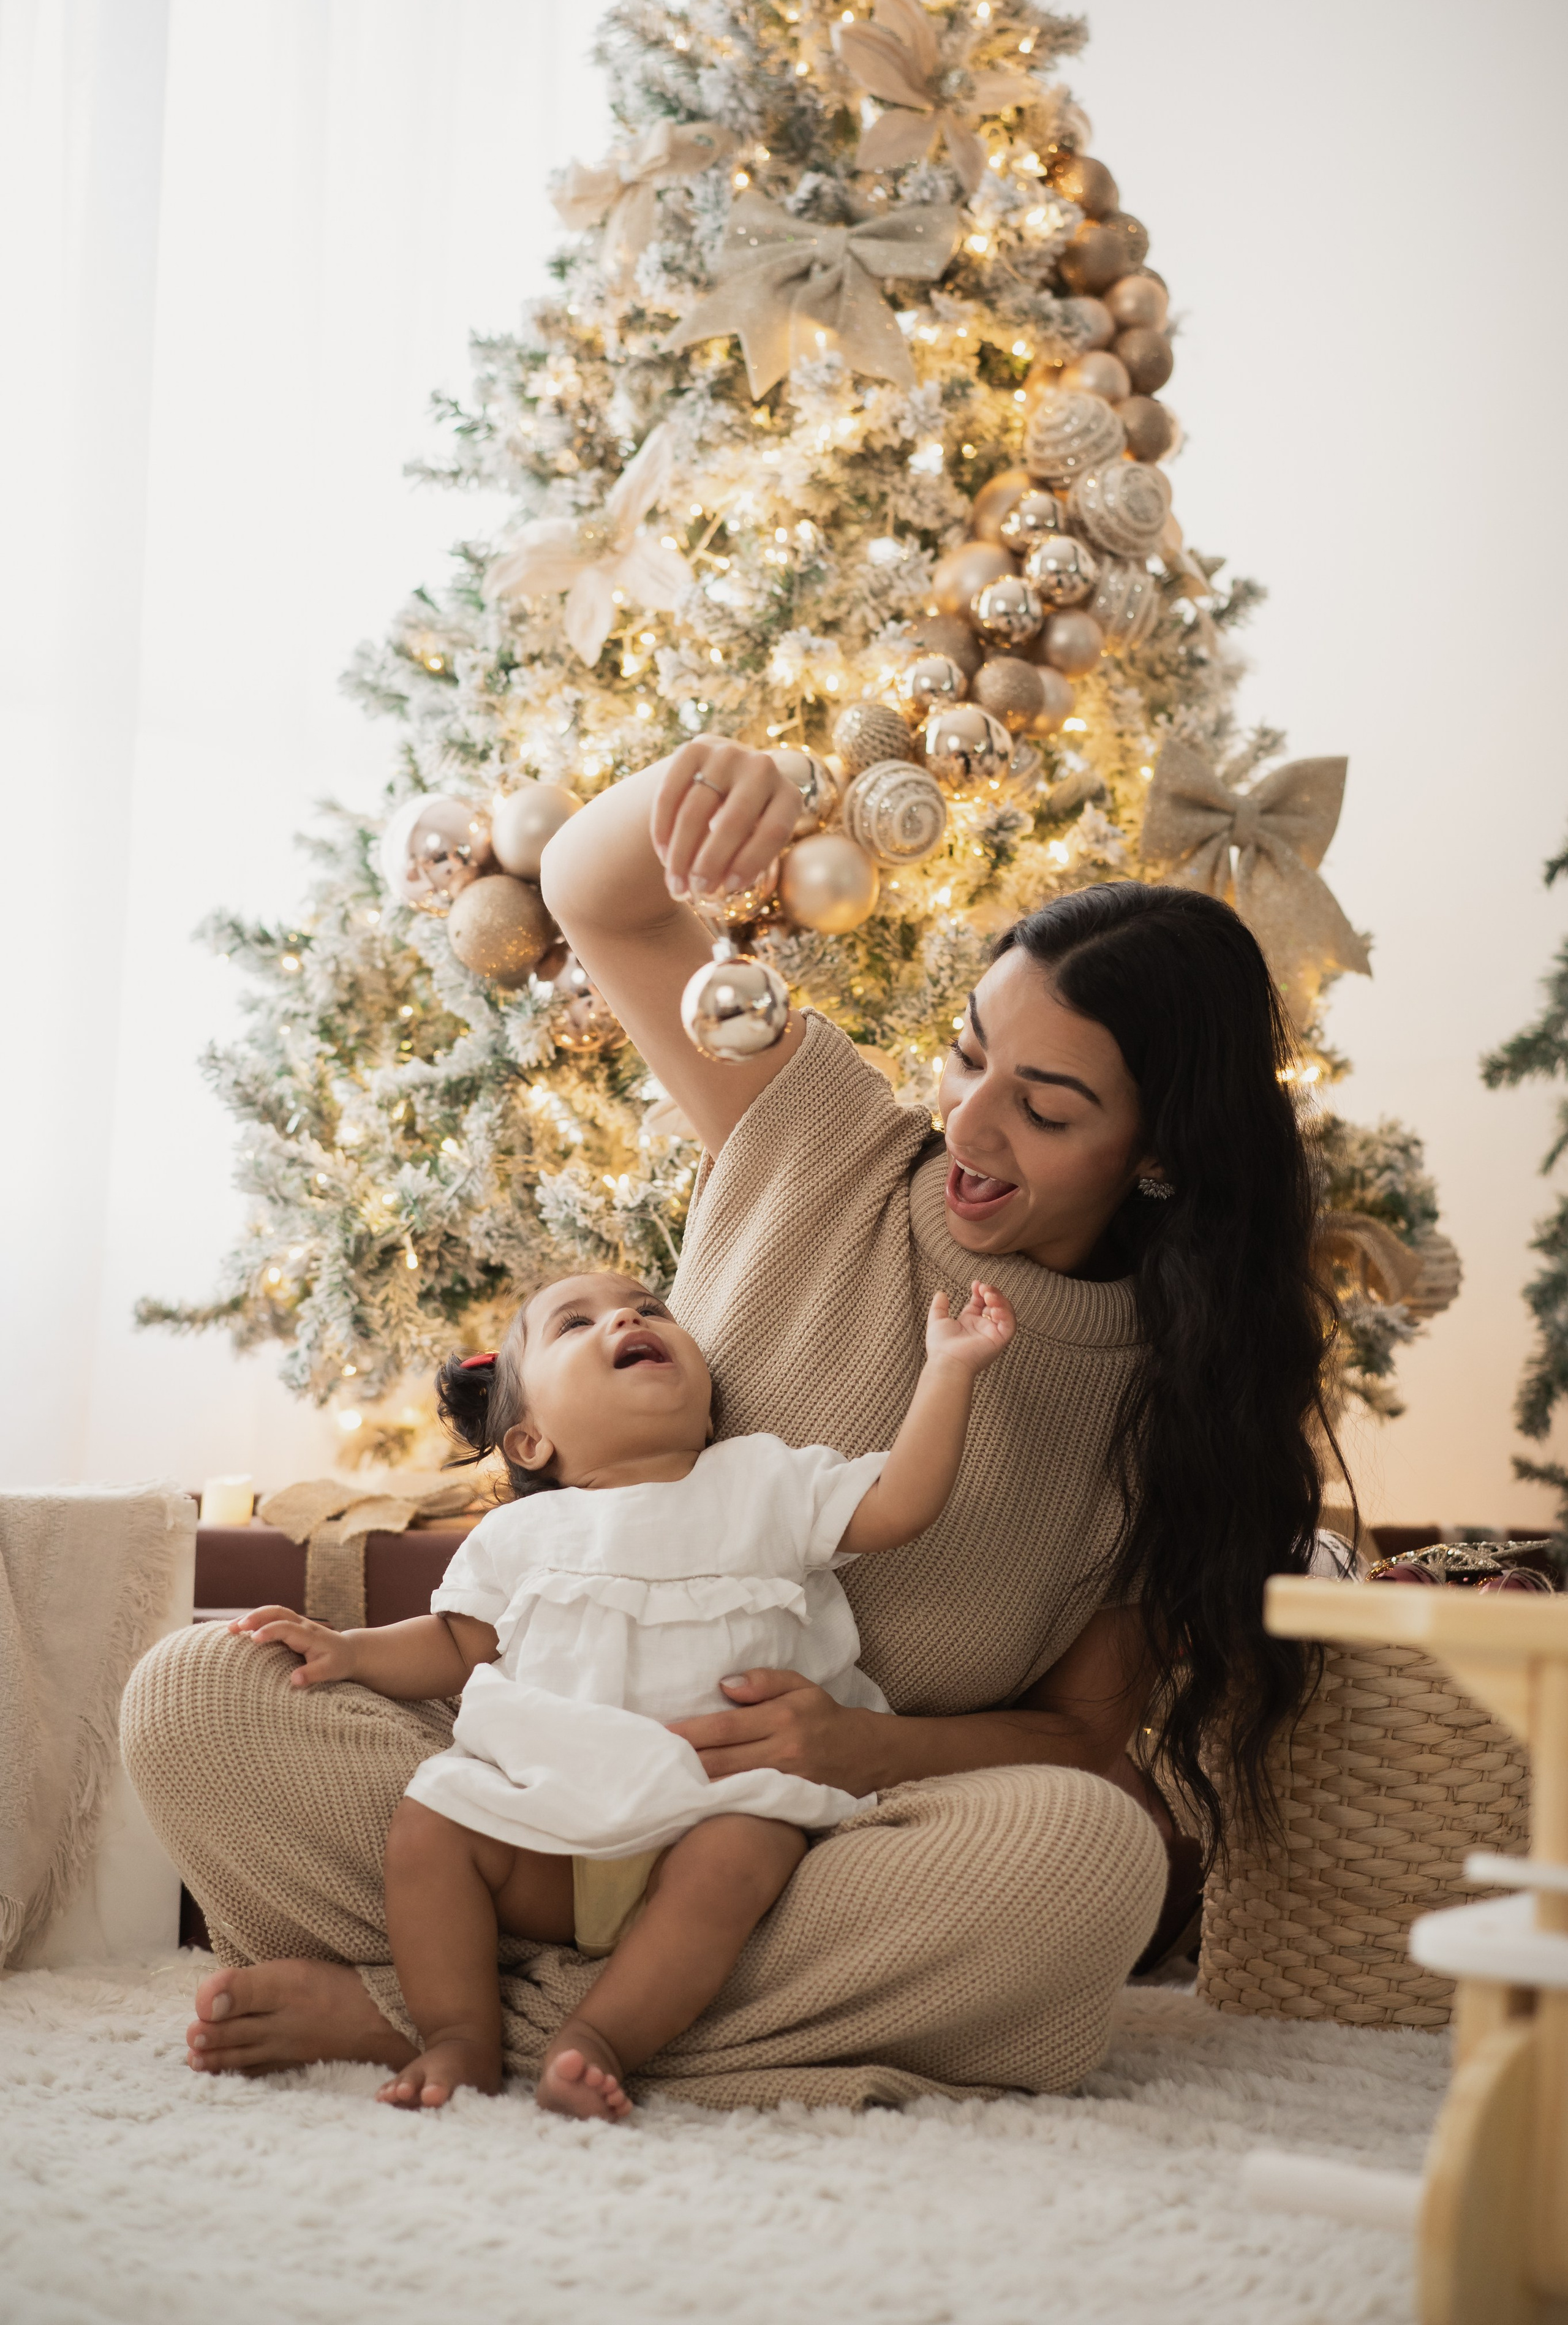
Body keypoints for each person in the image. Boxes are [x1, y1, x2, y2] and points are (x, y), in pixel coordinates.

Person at [123, 732, 1338, 2109]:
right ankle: (617, 2025)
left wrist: (860, 1747)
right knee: (197, 1690)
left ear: (1159, 1154)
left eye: (1044, 1109)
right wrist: (723, 789)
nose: (971, 1127)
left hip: (812, 1857)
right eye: (965, 1057)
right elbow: (596, 892)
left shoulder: (1158, 1406)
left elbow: (1080, 1742)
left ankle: (428, 2009)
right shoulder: (815, 1139)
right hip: (530, 1791)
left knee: (1086, 1860)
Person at [227, 1265, 1014, 2116]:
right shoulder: (520, 1532)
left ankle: (597, 2038)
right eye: (576, 1323)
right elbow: (458, 1643)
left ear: (707, 1405)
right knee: (432, 1825)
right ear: (529, 1442)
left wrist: (950, 1368)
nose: (625, 1320)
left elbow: (901, 1503)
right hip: (551, 1835)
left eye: (647, 1310)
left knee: (747, 1847)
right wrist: (348, 1651)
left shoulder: (763, 1480)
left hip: (713, 1812)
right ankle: (459, 2035)